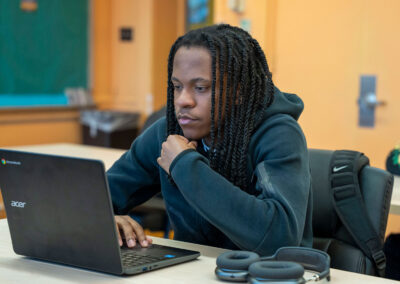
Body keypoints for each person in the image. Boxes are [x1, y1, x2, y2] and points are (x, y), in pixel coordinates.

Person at [107, 24, 312, 256]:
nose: (183, 100)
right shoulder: (167, 132)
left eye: (201, 87)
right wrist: (106, 219)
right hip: (192, 272)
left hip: (265, 275)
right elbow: (101, 195)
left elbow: (278, 237)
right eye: (177, 87)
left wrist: (184, 165)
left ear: (239, 92)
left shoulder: (278, 134)